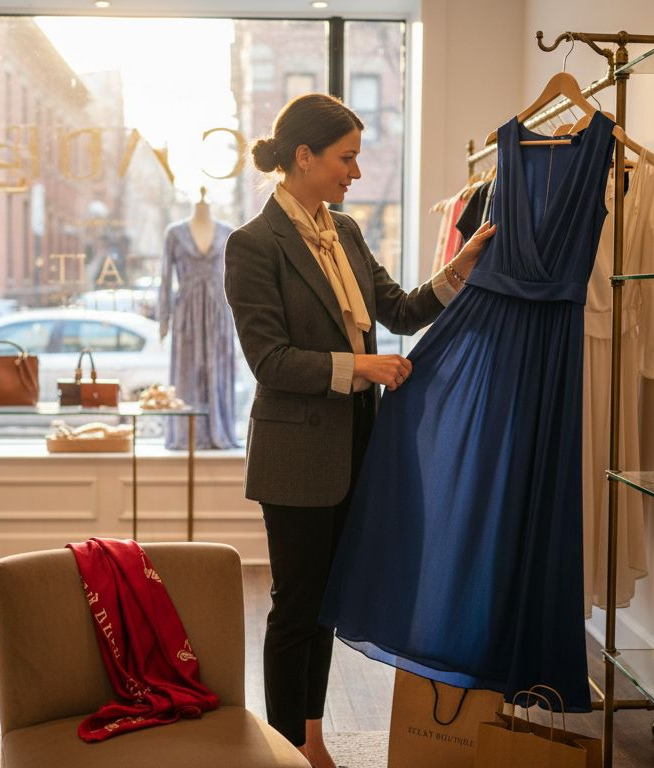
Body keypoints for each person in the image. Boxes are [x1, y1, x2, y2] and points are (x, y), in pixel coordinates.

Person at [223, 93, 494, 768]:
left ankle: (310, 738)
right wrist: (360, 368)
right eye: (346, 158)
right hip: (295, 456)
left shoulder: (343, 233)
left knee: (325, 607)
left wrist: (462, 265)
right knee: (295, 610)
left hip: (356, 451)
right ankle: (287, 749)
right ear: (304, 156)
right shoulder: (253, 245)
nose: (356, 172)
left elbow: (399, 310)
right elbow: (270, 361)